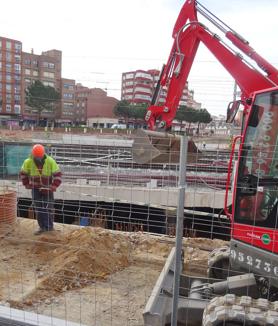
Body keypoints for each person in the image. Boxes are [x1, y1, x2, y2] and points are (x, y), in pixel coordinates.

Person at [20, 144, 62, 235]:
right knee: (39, 208)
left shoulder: (50, 161)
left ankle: (49, 227)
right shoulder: (28, 162)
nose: (38, 158)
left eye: (40, 156)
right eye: (36, 157)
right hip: (35, 189)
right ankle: (42, 227)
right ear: (33, 155)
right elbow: (23, 174)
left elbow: (58, 175)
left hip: (48, 189)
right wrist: (26, 184)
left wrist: (54, 185)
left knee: (48, 208)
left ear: (43, 154)